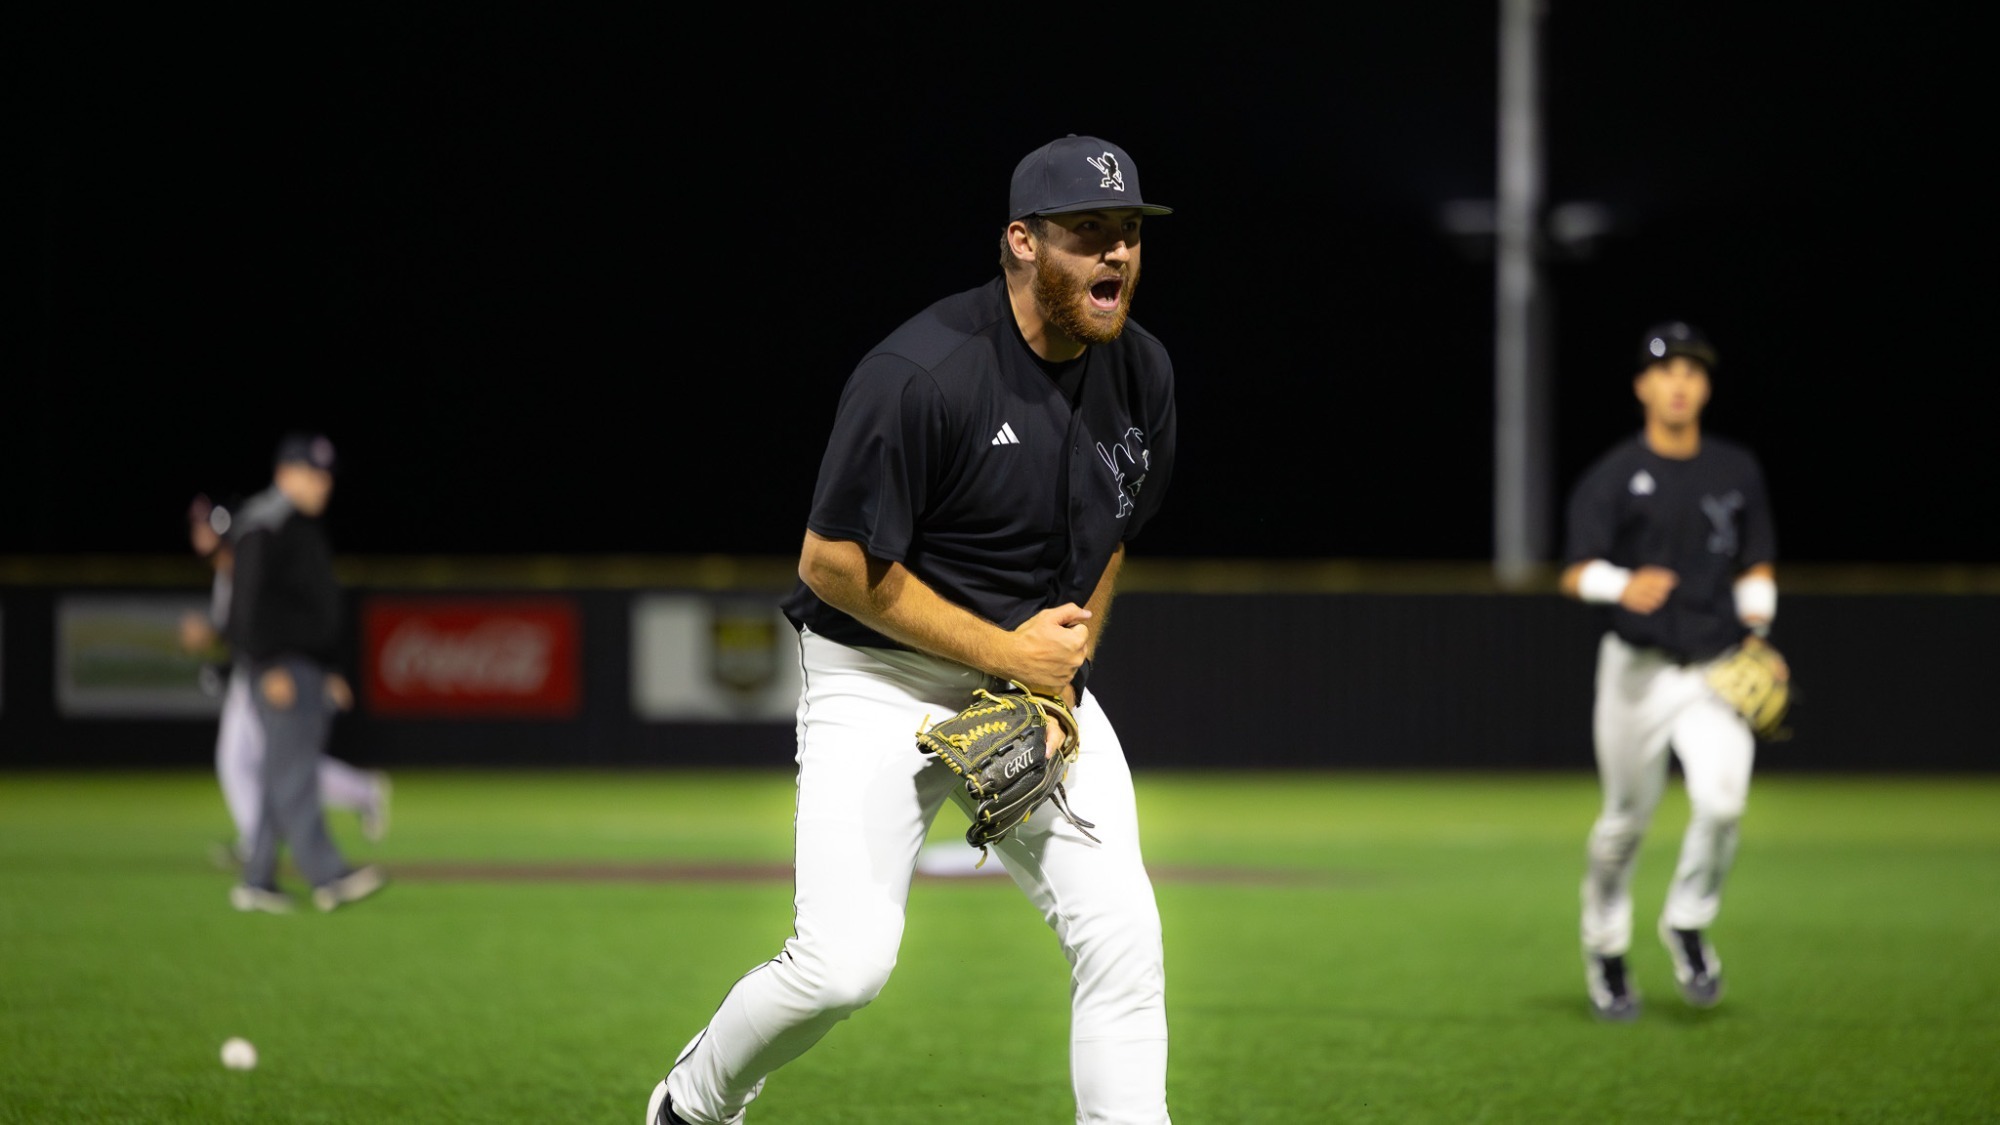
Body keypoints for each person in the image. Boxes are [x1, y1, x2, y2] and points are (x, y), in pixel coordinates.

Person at [647, 134, 1179, 1125]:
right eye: (1085, 234)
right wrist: (1009, 657)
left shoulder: (1140, 373)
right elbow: (830, 565)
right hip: (877, 673)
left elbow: (1110, 536)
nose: (1115, 254)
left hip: (1026, 681)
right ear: (1020, 243)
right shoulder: (920, 374)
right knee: (843, 967)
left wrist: (1057, 678)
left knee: (1123, 943)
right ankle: (694, 1100)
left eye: (1127, 234)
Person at [1559, 321, 1780, 1021]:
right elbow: (1574, 571)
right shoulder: (1615, 474)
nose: (1679, 381)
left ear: (1706, 387)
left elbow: (1756, 560)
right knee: (1625, 822)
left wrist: (1759, 633)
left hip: (1714, 668)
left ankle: (1686, 919)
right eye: (1666, 370)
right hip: (1636, 675)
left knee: (1723, 803)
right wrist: (1618, 584)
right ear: (1643, 386)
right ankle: (1607, 950)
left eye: (1692, 370)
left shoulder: (1735, 469)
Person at [180, 493, 390, 870]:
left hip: (273, 673)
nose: (198, 533)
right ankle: (260, 843)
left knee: (277, 763)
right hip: (255, 674)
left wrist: (325, 670)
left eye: (204, 525)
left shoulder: (247, 562)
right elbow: (241, 630)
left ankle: (358, 798)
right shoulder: (227, 569)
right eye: (195, 526)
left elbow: (261, 624)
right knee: (243, 761)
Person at [225, 433, 387, 914]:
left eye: (326, 476)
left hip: (306, 665)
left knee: (281, 776)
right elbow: (245, 606)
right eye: (314, 474)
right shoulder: (265, 523)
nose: (324, 484)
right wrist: (266, 664)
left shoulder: (299, 525)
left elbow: (313, 606)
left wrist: (330, 668)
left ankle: (257, 881)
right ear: (285, 473)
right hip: (282, 667)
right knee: (294, 774)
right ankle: (328, 875)